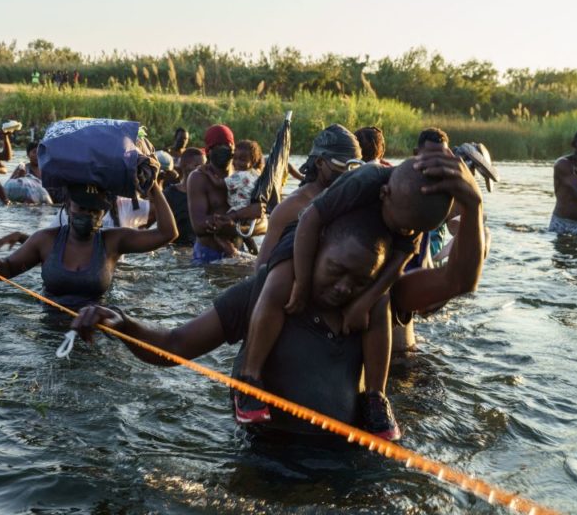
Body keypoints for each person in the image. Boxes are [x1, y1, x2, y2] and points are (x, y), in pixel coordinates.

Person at [70, 150, 485, 441]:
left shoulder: (378, 301)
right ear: (318, 248)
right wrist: (120, 324)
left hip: (351, 471)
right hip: (268, 466)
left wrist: (473, 204)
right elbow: (175, 345)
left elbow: (460, 280)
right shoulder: (263, 292)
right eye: (336, 271)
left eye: (360, 280)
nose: (344, 287)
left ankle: (375, 402)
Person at [0, 181, 177, 310]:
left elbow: (168, 233)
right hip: (50, 329)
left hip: (96, 326)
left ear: (103, 213)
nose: (87, 215)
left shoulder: (113, 241)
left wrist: (154, 187)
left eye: (94, 211)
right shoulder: (45, 240)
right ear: (68, 207)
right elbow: (8, 269)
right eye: (81, 208)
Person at [256, 125, 362, 265]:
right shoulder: (290, 208)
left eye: (354, 167)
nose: (348, 173)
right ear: (319, 162)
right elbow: (262, 268)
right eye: (343, 166)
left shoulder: (352, 199)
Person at [187, 125, 264, 264]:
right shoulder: (199, 177)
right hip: (208, 256)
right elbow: (198, 226)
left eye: (226, 145)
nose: (223, 150)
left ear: (233, 148)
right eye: (217, 146)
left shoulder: (246, 175)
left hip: (238, 252)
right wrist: (234, 224)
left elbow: (264, 223)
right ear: (208, 151)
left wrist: (234, 226)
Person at [163, 147, 205, 247]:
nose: (203, 170)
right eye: (197, 166)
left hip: (200, 249)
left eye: (204, 166)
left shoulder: (206, 193)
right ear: (184, 166)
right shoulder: (170, 194)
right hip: (177, 250)